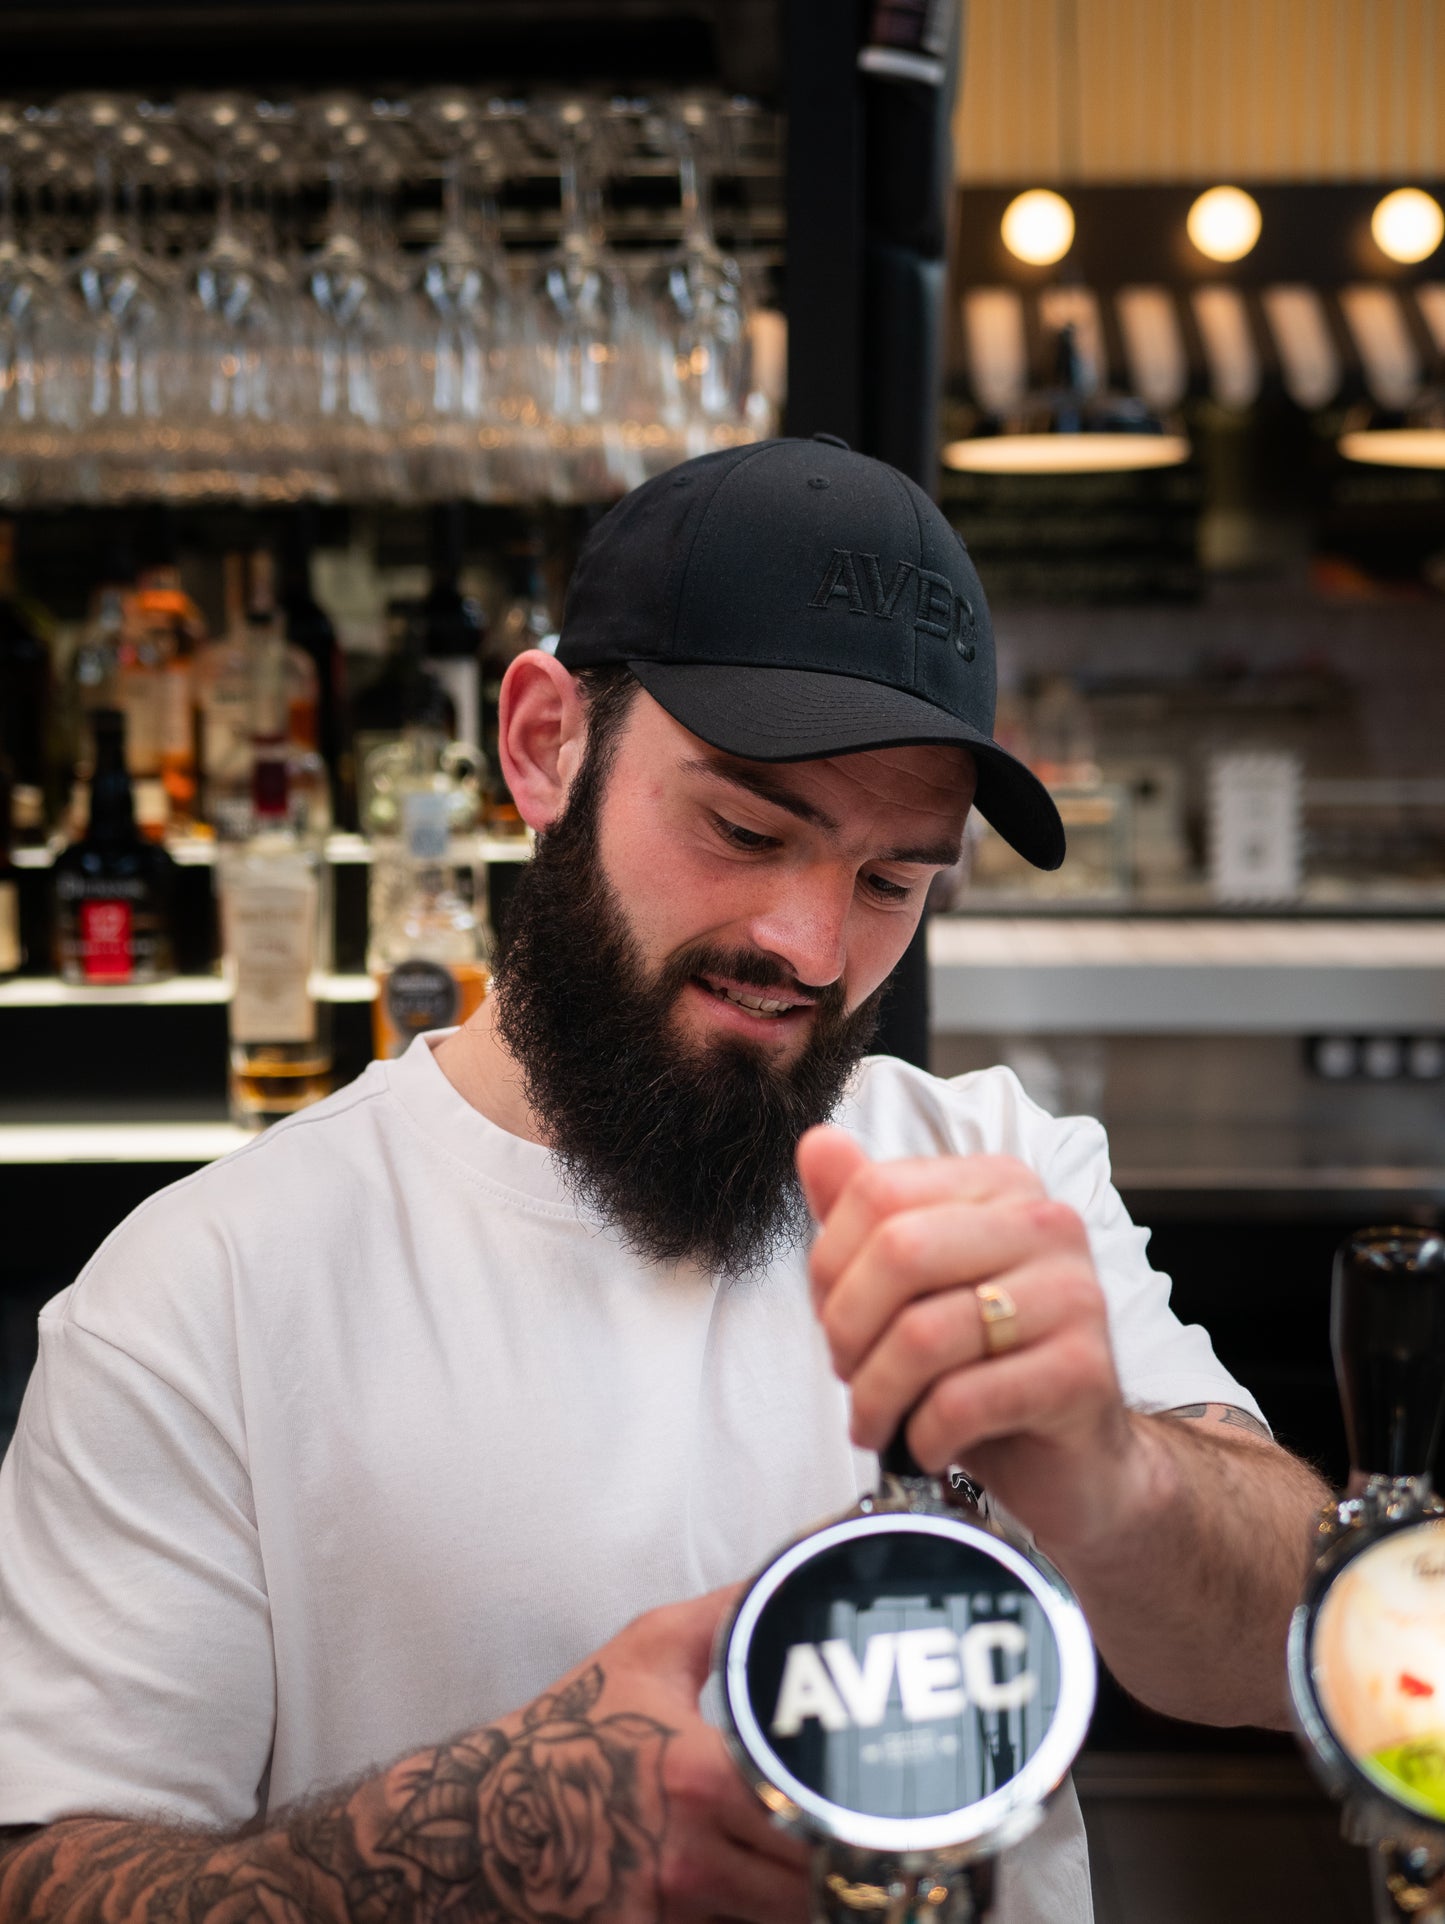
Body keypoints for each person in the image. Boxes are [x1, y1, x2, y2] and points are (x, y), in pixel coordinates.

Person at [0, 437, 1328, 1924]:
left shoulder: (993, 1170)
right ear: (543, 743)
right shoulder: (204, 1299)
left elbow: (1306, 1640)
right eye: (746, 829)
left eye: (892, 879)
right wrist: (489, 1840)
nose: (813, 948)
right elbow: (49, 1881)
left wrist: (1119, 1477)